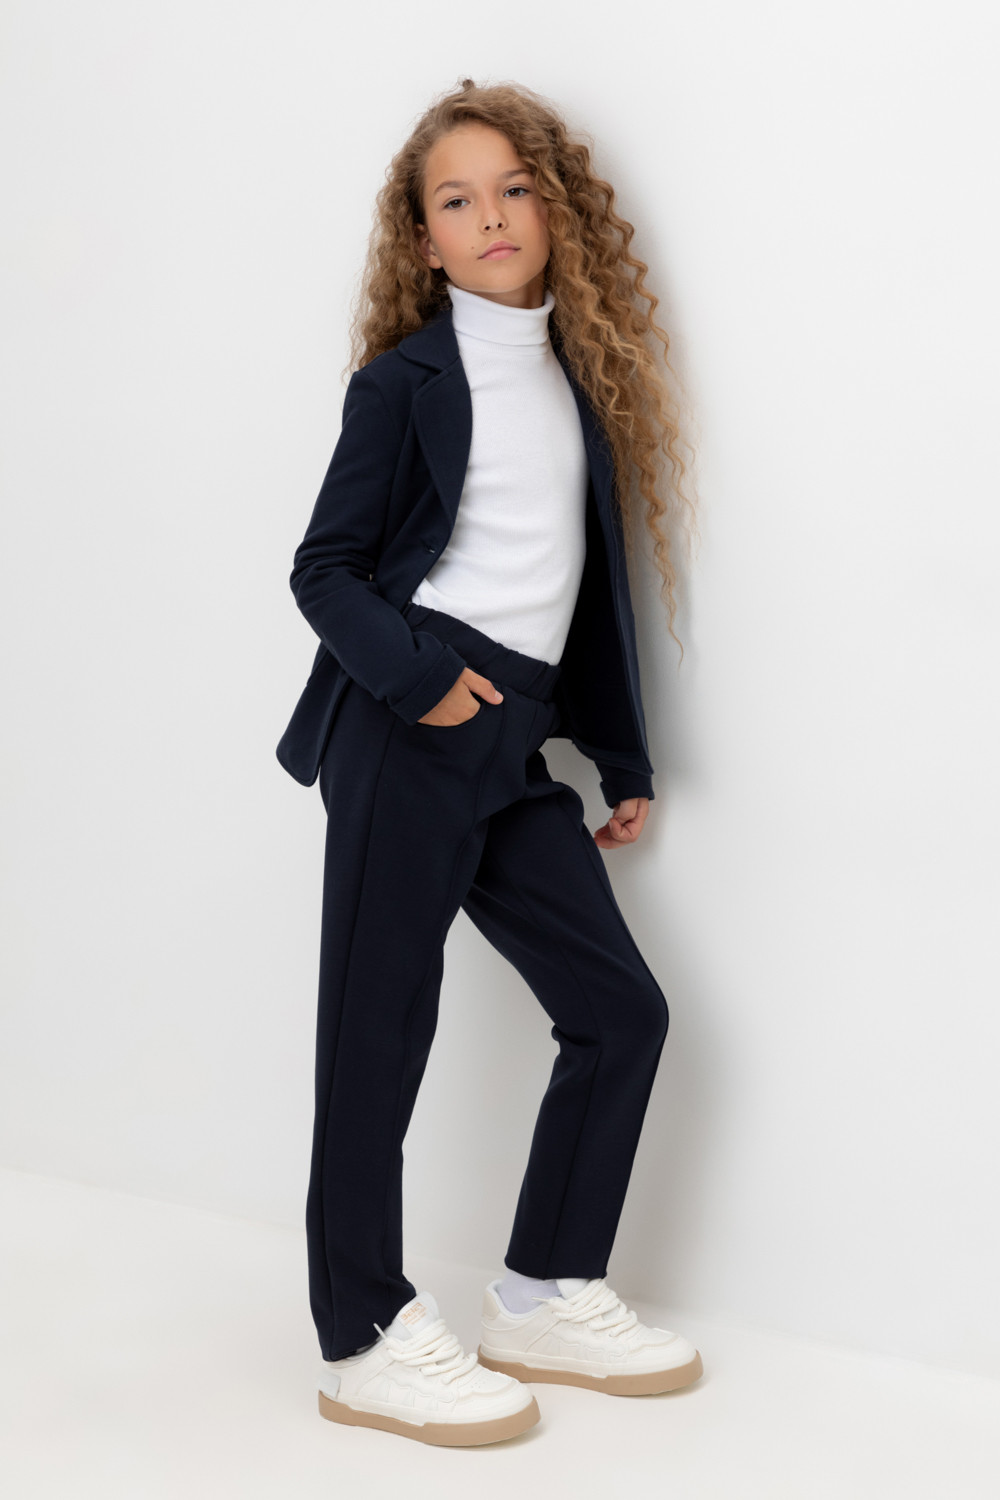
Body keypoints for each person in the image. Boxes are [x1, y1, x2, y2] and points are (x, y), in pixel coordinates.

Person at [276, 77, 702, 1447]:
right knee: (377, 1040)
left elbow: (587, 594)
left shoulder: (579, 384)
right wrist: (421, 684)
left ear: (555, 209)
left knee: (621, 1012)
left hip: (515, 743)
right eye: (457, 201)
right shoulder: (402, 384)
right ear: (426, 238)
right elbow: (325, 570)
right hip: (411, 724)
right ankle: (360, 1335)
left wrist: (620, 757)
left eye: (515, 190)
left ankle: (543, 1289)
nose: (493, 216)